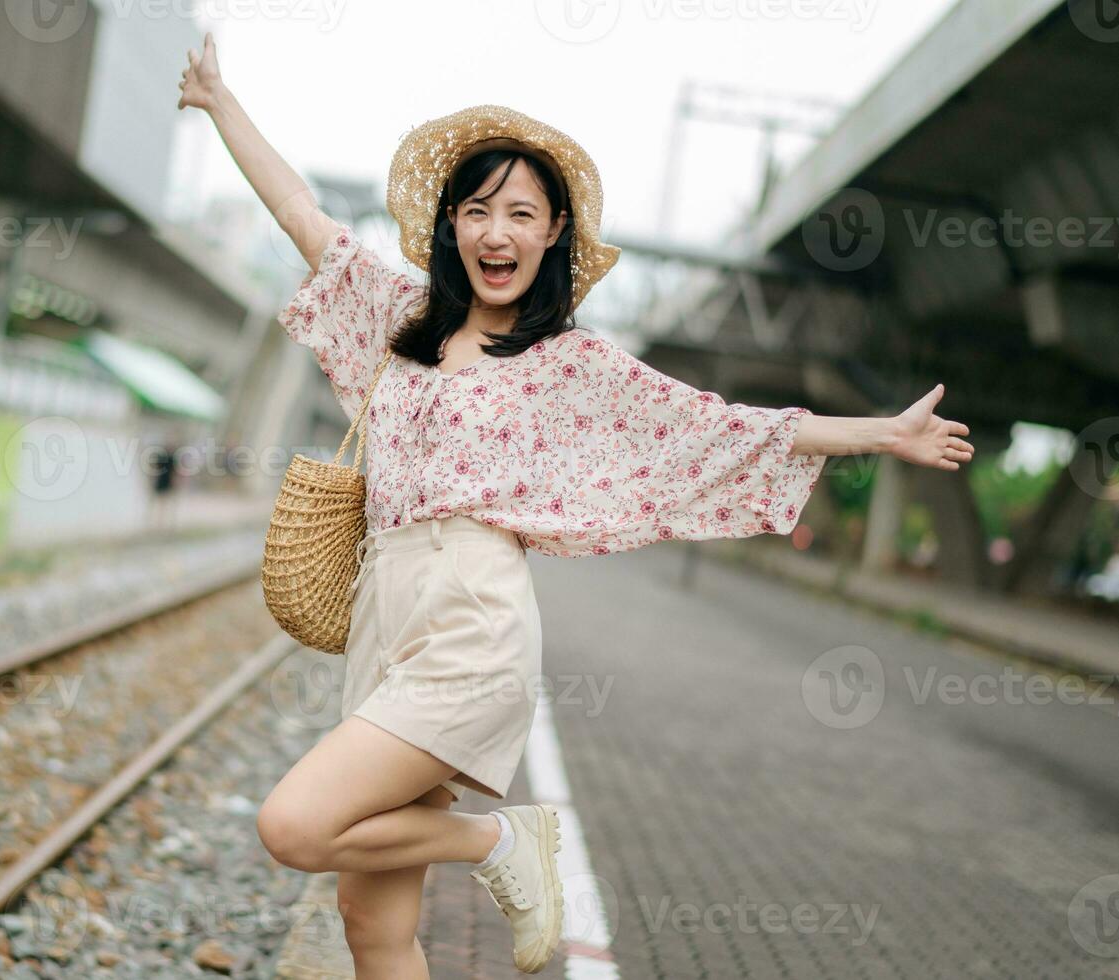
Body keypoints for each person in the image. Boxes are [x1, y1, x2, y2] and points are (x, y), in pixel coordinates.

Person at [177, 33, 974, 977]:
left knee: (297, 826)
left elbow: (713, 425)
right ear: (450, 226)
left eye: (520, 212)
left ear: (553, 233)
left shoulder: (568, 364)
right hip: (379, 621)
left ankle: (503, 844)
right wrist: (220, 105)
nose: (495, 232)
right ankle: (498, 851)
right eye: (476, 210)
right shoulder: (399, 324)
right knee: (372, 924)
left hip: (470, 624)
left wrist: (882, 433)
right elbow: (300, 211)